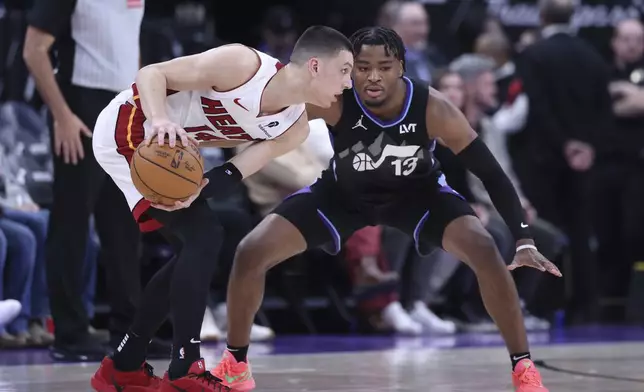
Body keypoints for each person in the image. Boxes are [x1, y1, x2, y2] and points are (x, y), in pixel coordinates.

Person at [214, 27, 560, 392]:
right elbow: (262, 131)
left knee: (484, 246)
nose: (373, 76)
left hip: (419, 197)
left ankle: (523, 368)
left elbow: (490, 171)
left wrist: (523, 239)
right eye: (362, 67)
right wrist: (204, 148)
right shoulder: (333, 99)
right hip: (342, 197)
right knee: (251, 251)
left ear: (401, 68)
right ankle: (236, 363)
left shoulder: (432, 107)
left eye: (384, 66)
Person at [89, 26, 353, 392]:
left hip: (169, 160)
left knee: (198, 242)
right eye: (344, 70)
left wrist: (196, 191)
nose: (349, 83)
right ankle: (183, 368)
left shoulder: (294, 129)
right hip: (132, 125)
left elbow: (232, 173)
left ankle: (124, 365)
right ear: (314, 66)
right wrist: (160, 120)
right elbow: (152, 74)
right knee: (204, 236)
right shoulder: (242, 64)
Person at [23, 0, 153, 361]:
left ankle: (130, 331)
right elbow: (33, 50)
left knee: (125, 225)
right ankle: (69, 333)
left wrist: (142, 105)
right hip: (81, 103)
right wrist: (62, 115)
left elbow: (130, 44)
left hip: (124, 105)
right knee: (72, 222)